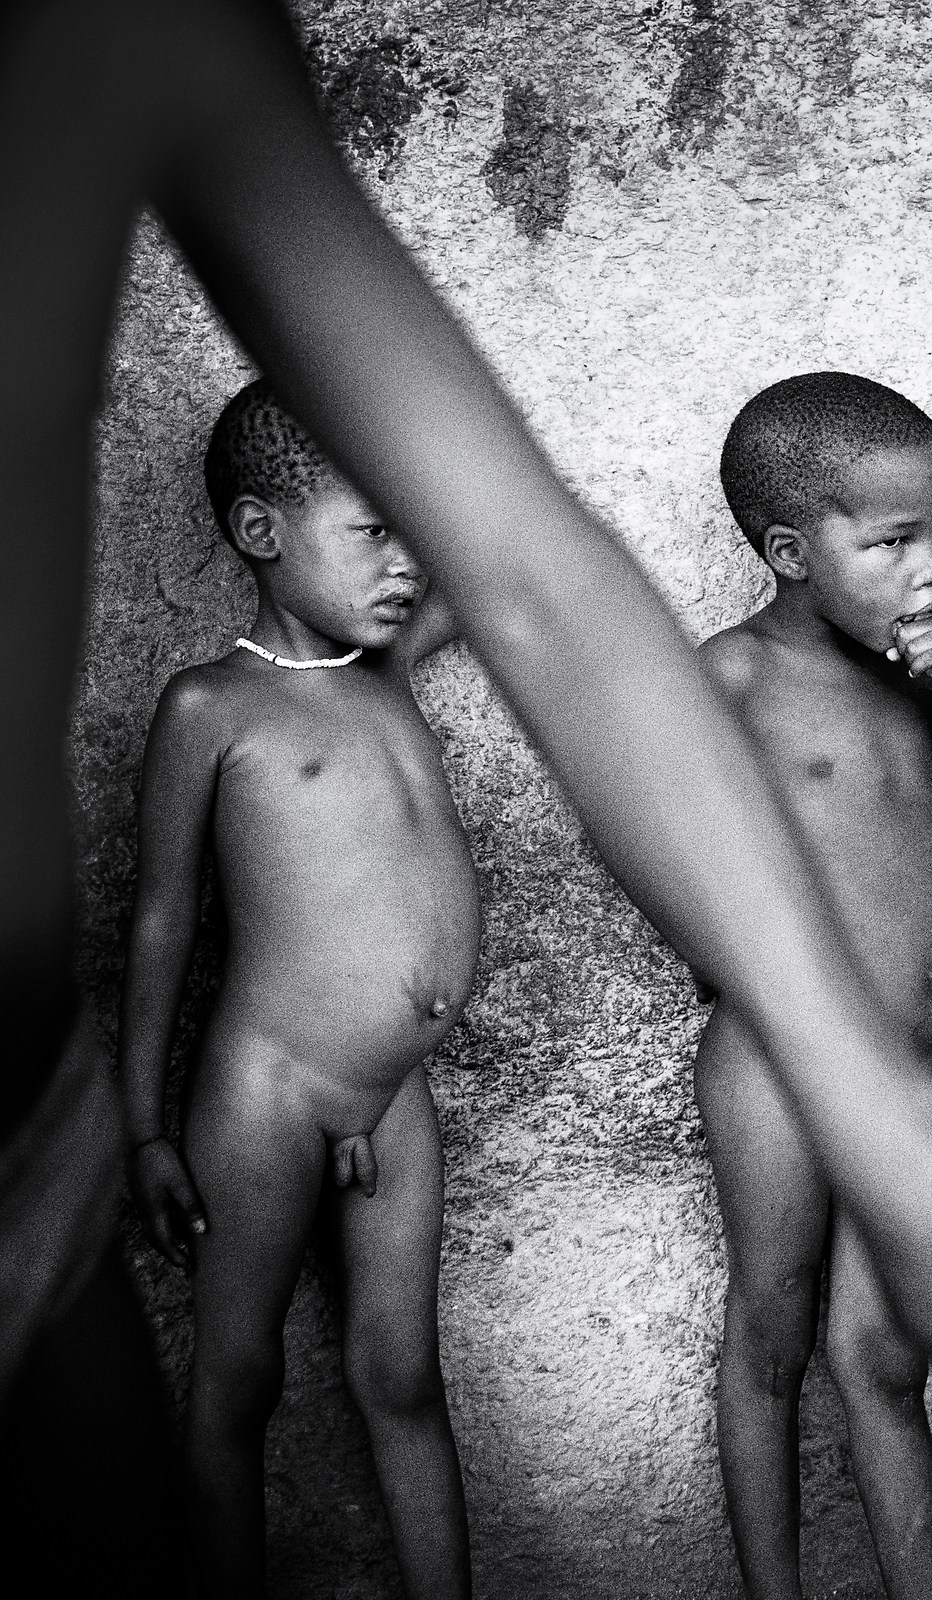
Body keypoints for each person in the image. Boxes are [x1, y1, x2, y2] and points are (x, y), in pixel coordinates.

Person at [0, 1, 932, 1587]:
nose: (400, 561)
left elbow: (531, 581)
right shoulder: (229, 704)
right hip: (240, 1089)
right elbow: (191, 895)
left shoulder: (132, 37)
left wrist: (880, 1101)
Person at [121, 383, 476, 1599]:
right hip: (265, 1090)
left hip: (392, 1091)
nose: (406, 562)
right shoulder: (212, 706)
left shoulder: (393, 676)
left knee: (404, 1377)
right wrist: (146, 1126)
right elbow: (166, 917)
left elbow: (504, 563)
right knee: (238, 1379)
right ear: (263, 533)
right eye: (372, 530)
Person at [697, 374, 932, 1600]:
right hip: (782, 1063)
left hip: (904, 1076)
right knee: (773, 1337)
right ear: (789, 552)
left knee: (883, 1358)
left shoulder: (916, 671)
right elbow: (648, 834)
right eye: (890, 540)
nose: (929, 564)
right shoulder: (727, 680)